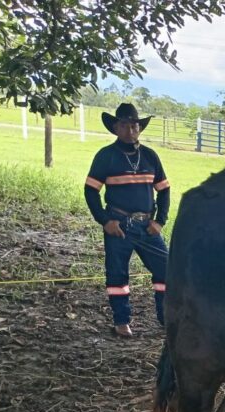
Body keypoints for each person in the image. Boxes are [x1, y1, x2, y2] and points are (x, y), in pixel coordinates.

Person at [84, 102, 171, 338]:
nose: (130, 130)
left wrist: (159, 221)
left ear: (139, 128)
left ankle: (166, 318)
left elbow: (164, 190)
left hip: (147, 226)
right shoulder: (106, 156)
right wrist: (104, 220)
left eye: (134, 125)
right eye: (124, 125)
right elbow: (91, 191)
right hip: (118, 224)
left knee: (166, 270)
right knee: (117, 275)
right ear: (115, 128)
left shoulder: (150, 156)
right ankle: (121, 321)